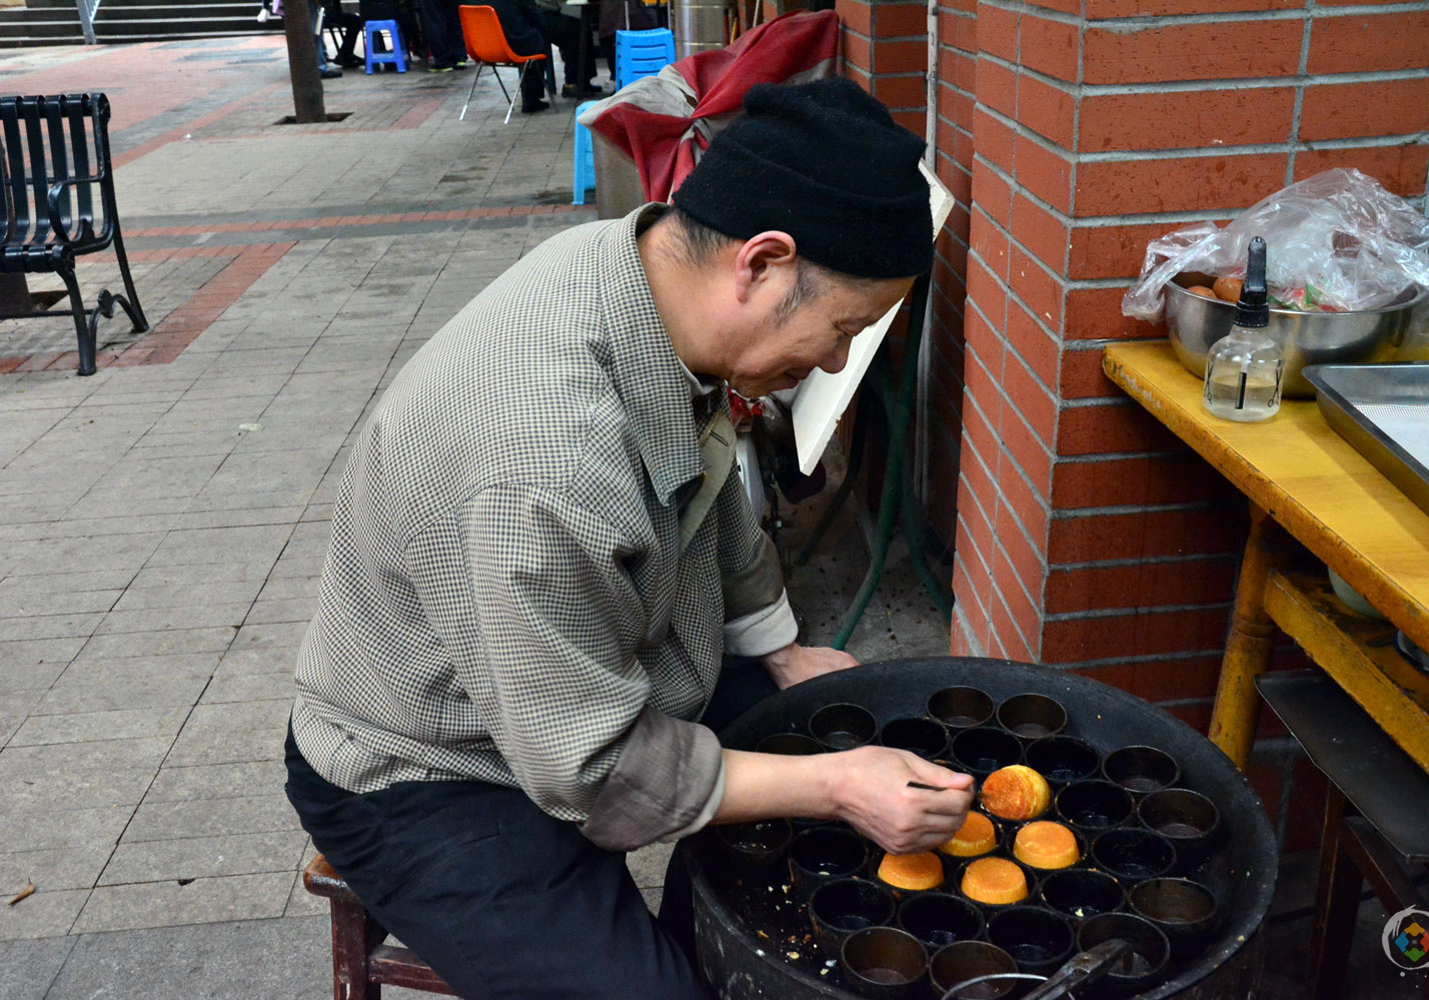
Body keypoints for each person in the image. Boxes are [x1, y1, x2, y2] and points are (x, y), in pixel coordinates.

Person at [283, 78, 968, 1000]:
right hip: (429, 762)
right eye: (842, 327)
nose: (838, 360)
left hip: (585, 672)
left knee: (828, 735)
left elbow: (713, 475)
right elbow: (593, 769)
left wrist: (778, 650)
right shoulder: (547, 459)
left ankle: (699, 927)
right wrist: (836, 786)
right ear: (760, 264)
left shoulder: (637, 270)